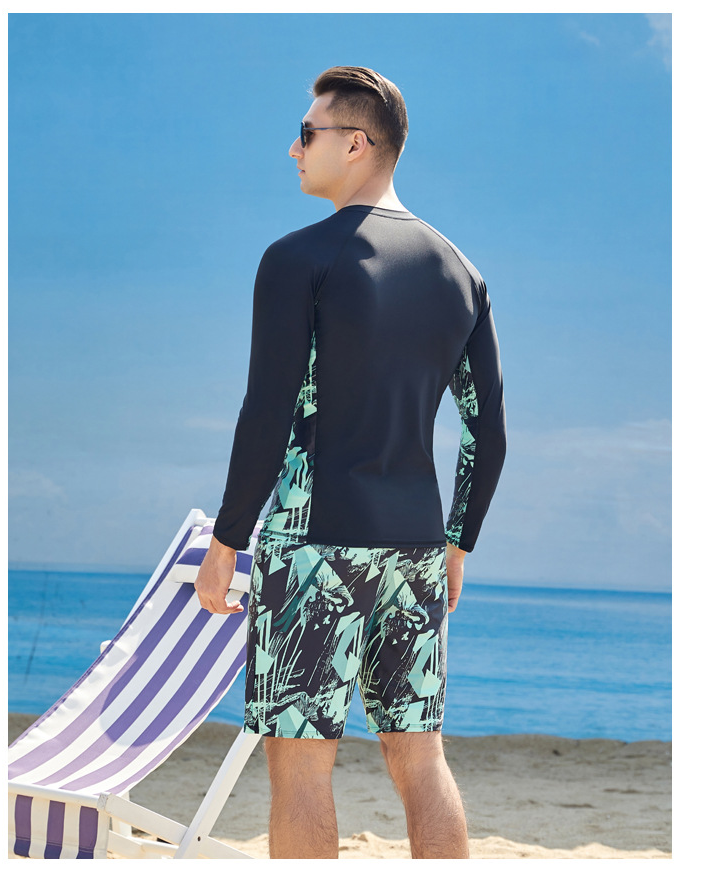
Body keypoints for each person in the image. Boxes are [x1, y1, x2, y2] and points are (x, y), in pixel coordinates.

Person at [194, 66, 506, 859]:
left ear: (356, 144)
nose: (294, 148)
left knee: (301, 763)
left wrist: (226, 542)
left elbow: (268, 413)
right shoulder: (461, 272)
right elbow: (488, 432)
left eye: (308, 133)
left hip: (313, 546)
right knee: (420, 755)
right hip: (416, 546)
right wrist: (457, 542)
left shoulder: (298, 258)